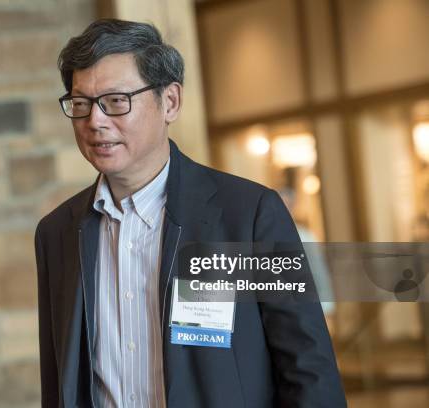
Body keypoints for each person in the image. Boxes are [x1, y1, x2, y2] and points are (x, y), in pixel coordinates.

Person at [34, 19, 346, 407]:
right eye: (81, 104)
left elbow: (308, 368)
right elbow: (59, 379)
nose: (95, 122)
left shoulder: (247, 216)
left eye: (116, 101)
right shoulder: (57, 233)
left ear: (170, 102)